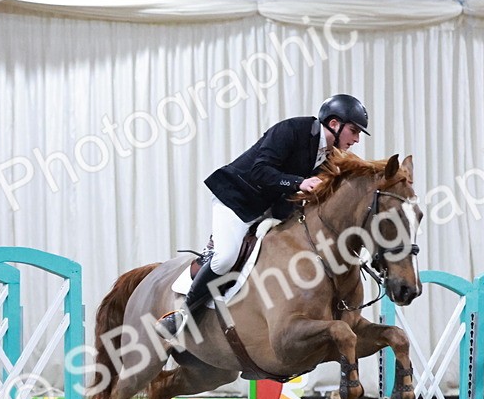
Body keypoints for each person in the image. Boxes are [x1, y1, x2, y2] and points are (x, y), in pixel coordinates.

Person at [157, 93, 370, 338]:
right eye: (354, 131)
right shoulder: (293, 130)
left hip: (271, 209)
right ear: (334, 124)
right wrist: (299, 183)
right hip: (237, 200)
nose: (356, 139)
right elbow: (260, 170)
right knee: (225, 258)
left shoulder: (331, 155)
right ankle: (182, 314)